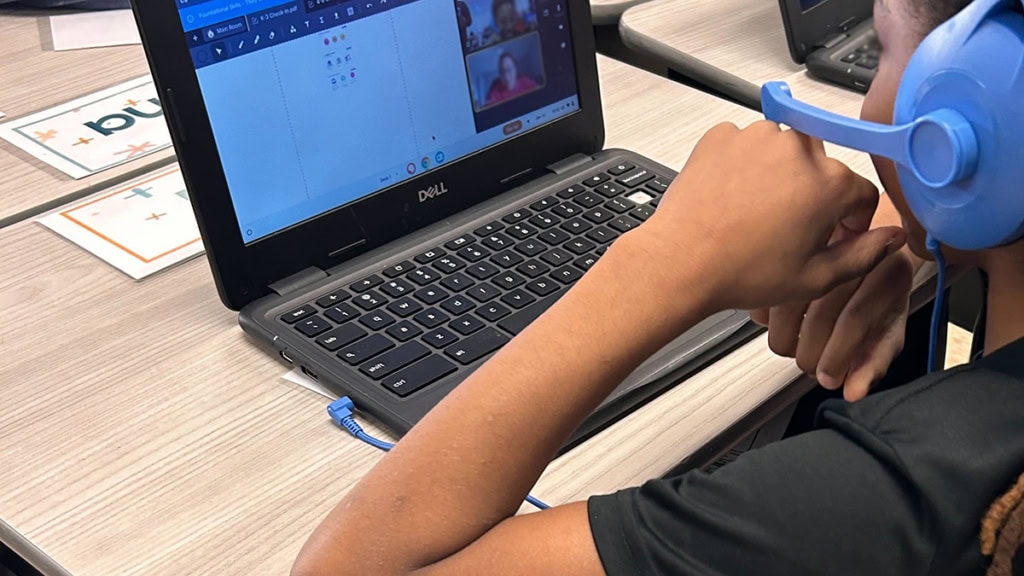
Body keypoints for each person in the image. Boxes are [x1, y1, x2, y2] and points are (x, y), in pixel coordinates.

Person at [292, 0, 1024, 574]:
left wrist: (666, 259)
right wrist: (918, 216)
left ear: (987, 117)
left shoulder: (886, 498)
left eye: (887, 45)